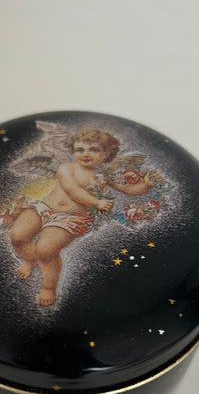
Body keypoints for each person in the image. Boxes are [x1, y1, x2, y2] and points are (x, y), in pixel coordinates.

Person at [9, 129, 153, 306]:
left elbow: (128, 189)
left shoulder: (105, 175)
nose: (85, 154)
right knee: (18, 236)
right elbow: (72, 190)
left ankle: (48, 287)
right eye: (80, 149)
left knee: (46, 249)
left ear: (105, 154)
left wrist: (146, 185)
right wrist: (96, 202)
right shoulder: (66, 168)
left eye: (94, 150)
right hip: (44, 207)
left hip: (70, 218)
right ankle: (31, 259)